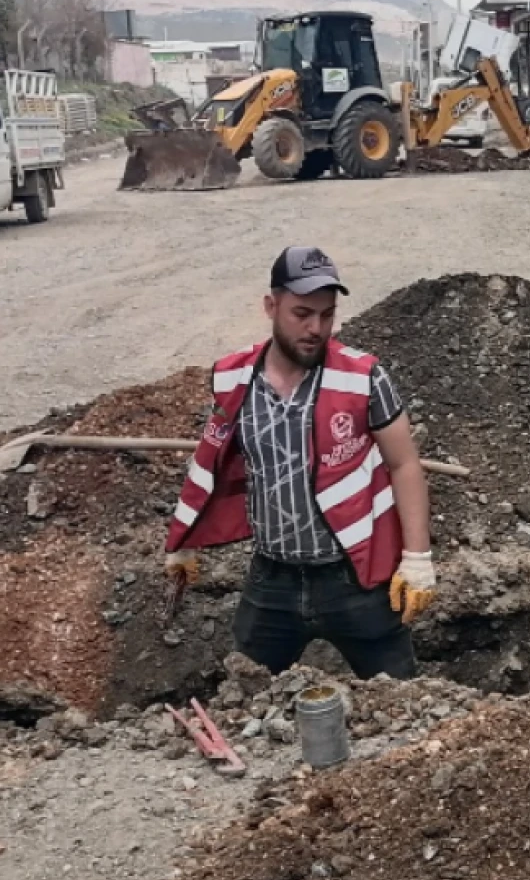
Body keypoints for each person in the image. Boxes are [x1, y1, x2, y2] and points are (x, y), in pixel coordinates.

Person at [163, 246, 436, 679]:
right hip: (272, 580)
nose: (316, 328)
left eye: (327, 315)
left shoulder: (364, 378)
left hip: (352, 577)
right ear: (271, 307)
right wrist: (185, 539)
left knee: (399, 699)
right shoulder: (233, 379)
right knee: (244, 694)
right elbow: (214, 460)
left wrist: (417, 557)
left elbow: (404, 464)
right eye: (302, 313)